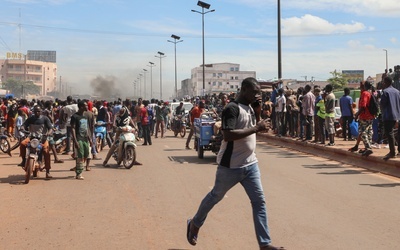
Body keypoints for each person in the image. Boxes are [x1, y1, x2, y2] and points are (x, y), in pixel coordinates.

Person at [186, 77, 285, 250]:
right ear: (244, 89)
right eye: (255, 92)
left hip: (250, 164)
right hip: (230, 166)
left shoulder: (251, 107)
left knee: (259, 201)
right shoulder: (231, 108)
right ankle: (195, 223)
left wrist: (258, 113)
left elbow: (255, 125)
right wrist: (256, 128)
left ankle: (264, 244)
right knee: (215, 196)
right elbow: (228, 135)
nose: (257, 96)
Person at [18, 105, 53, 179]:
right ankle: (23, 160)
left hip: (42, 138)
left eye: (39, 111)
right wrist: (22, 128)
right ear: (33, 111)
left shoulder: (45, 119)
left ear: (41, 111)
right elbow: (24, 125)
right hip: (31, 137)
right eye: (36, 111)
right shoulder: (30, 119)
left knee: (46, 151)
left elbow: (50, 128)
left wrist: (47, 134)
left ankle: (48, 171)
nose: (37, 112)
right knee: (22, 144)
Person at [349, 81, 375, 156]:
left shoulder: (364, 93)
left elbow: (363, 106)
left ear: (364, 86)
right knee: (369, 132)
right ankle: (368, 148)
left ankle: (368, 148)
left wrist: (357, 114)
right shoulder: (370, 93)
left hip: (364, 116)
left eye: (361, 85)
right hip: (370, 116)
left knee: (362, 131)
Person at [70, 101, 93, 180]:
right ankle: (79, 173)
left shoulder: (85, 117)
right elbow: (72, 129)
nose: (87, 107)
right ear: (81, 107)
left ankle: (77, 167)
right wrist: (75, 141)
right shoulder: (75, 116)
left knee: (86, 154)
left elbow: (86, 129)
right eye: (85, 105)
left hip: (85, 138)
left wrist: (90, 139)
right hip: (78, 138)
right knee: (80, 155)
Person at [380, 77, 400, 160]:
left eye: (384, 82)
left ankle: (392, 152)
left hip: (389, 115)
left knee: (389, 133)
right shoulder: (397, 92)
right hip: (398, 115)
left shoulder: (385, 92)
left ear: (386, 82)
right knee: (398, 134)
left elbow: (382, 105)